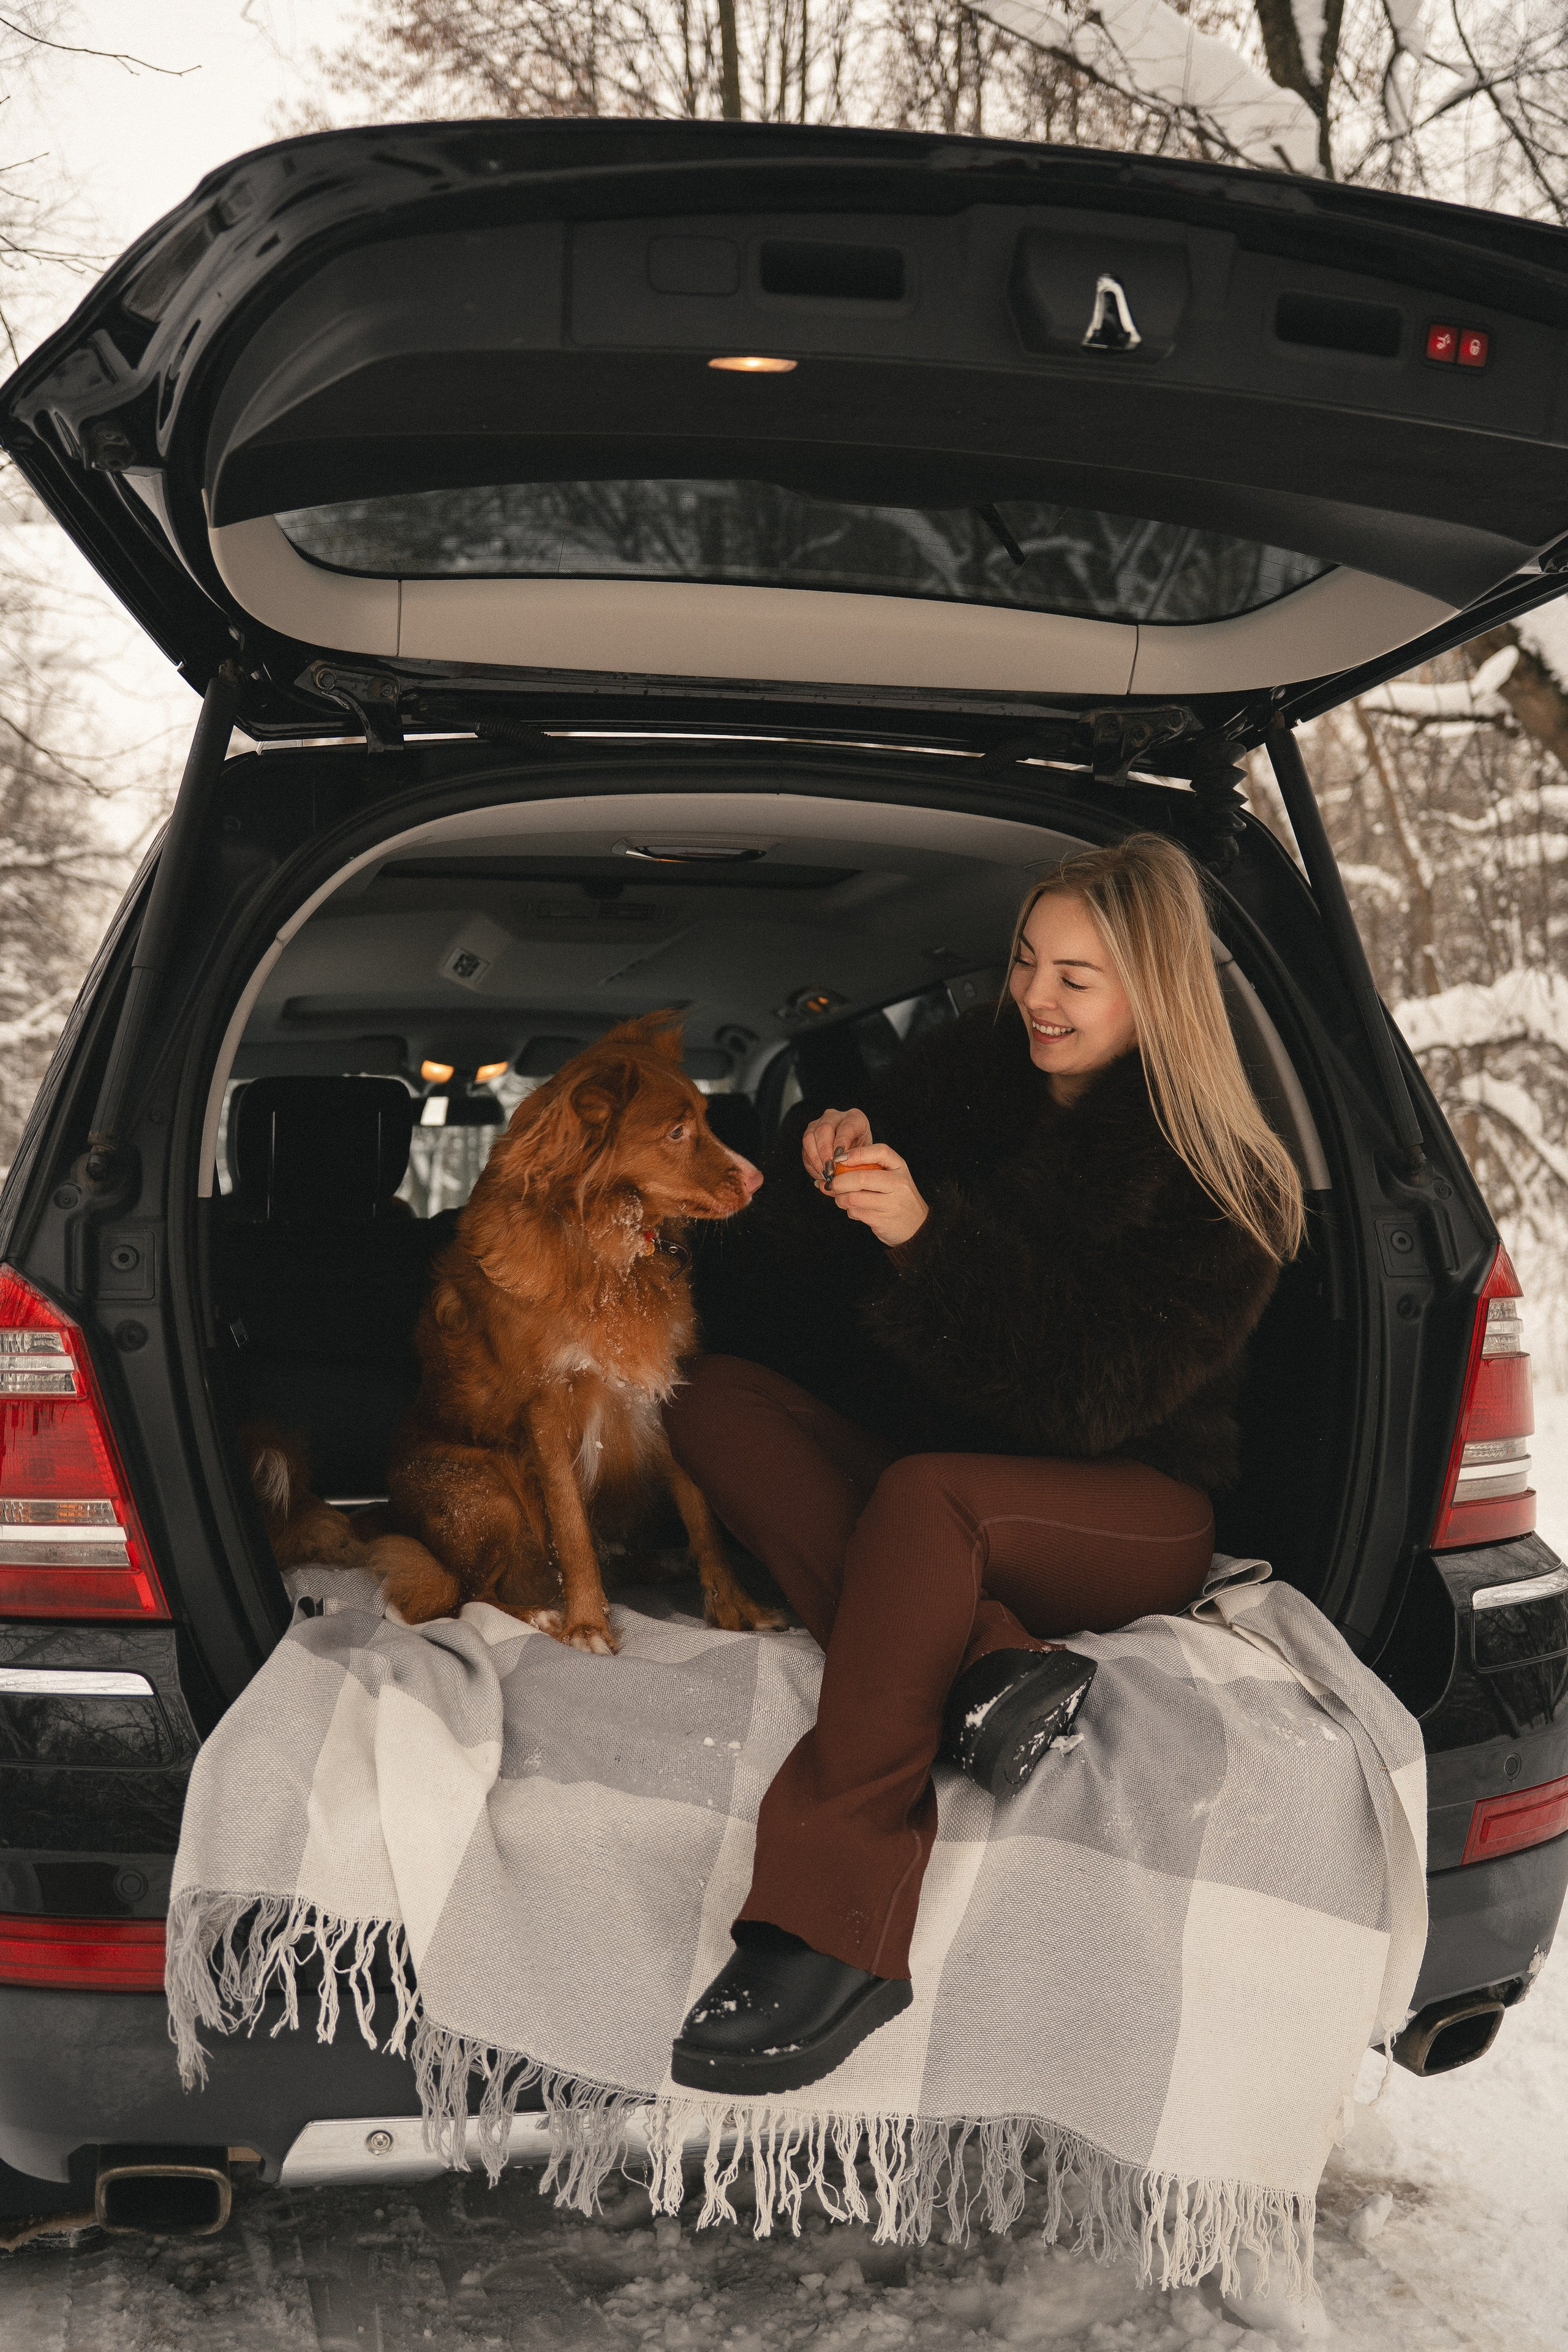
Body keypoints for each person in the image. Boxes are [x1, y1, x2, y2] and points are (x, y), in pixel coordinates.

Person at [663, 833, 1304, 2097]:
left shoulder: (1226, 1176)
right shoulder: (957, 1090)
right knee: (706, 1396)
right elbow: (793, 1302)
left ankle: (828, 1930)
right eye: (1024, 963)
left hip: (1128, 1501)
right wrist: (825, 1159)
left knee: (922, 1496)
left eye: (1078, 976)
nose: (1034, 998)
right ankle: (988, 1661)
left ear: (1158, 992)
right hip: (944, 1485)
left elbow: (1086, 1399)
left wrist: (923, 1237)